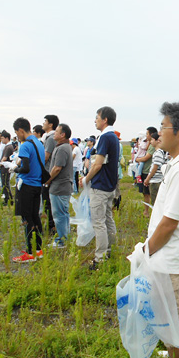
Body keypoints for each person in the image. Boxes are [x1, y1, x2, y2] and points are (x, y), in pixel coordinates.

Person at [142, 101, 179, 358]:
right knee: (166, 312)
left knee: (173, 317)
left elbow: (170, 223)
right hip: (167, 254)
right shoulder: (178, 162)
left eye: (163, 126)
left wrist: (147, 251)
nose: (159, 132)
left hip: (171, 257)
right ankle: (176, 350)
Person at [79, 107, 119, 270]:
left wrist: (85, 179)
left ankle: (100, 257)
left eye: (97, 118)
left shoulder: (105, 137)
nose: (95, 120)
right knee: (108, 219)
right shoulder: (113, 137)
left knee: (99, 222)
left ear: (105, 120)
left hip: (101, 186)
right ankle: (110, 250)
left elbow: (98, 164)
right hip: (109, 186)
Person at [11, 118, 45, 262]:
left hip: (26, 185)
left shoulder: (25, 146)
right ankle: (38, 249)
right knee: (35, 217)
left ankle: (30, 254)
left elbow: (25, 167)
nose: (17, 136)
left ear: (20, 130)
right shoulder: (39, 143)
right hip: (37, 185)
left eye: (16, 133)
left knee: (27, 219)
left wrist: (14, 168)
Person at [44, 123, 73, 248]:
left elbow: (57, 168)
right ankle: (65, 237)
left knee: (59, 215)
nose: (54, 133)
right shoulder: (63, 147)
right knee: (63, 214)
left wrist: (47, 180)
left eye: (56, 131)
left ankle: (61, 241)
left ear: (63, 135)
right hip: (62, 186)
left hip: (59, 187)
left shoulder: (62, 149)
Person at [42, 114, 59, 234]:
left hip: (48, 174)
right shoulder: (49, 137)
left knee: (48, 202)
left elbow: (46, 157)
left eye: (45, 121)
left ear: (50, 124)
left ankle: (52, 227)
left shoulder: (50, 138)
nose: (43, 124)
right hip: (49, 173)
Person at [135, 127, 157, 217]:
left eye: (147, 134)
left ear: (151, 134)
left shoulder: (152, 146)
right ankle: (147, 211)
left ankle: (148, 212)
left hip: (148, 171)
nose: (146, 136)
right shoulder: (149, 144)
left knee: (149, 193)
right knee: (146, 193)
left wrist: (137, 159)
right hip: (146, 170)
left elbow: (146, 157)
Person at [143, 132, 165, 206]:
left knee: (155, 203)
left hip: (156, 181)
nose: (151, 141)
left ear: (157, 140)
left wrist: (147, 179)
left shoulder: (158, 152)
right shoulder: (158, 152)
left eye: (152, 139)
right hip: (155, 180)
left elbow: (155, 167)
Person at [0, 130, 14, 206]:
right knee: (5, 183)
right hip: (5, 167)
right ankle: (8, 199)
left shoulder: (8, 147)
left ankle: (8, 199)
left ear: (6, 138)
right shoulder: (8, 146)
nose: (1, 140)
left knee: (5, 184)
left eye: (2, 138)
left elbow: (4, 158)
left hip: (5, 168)